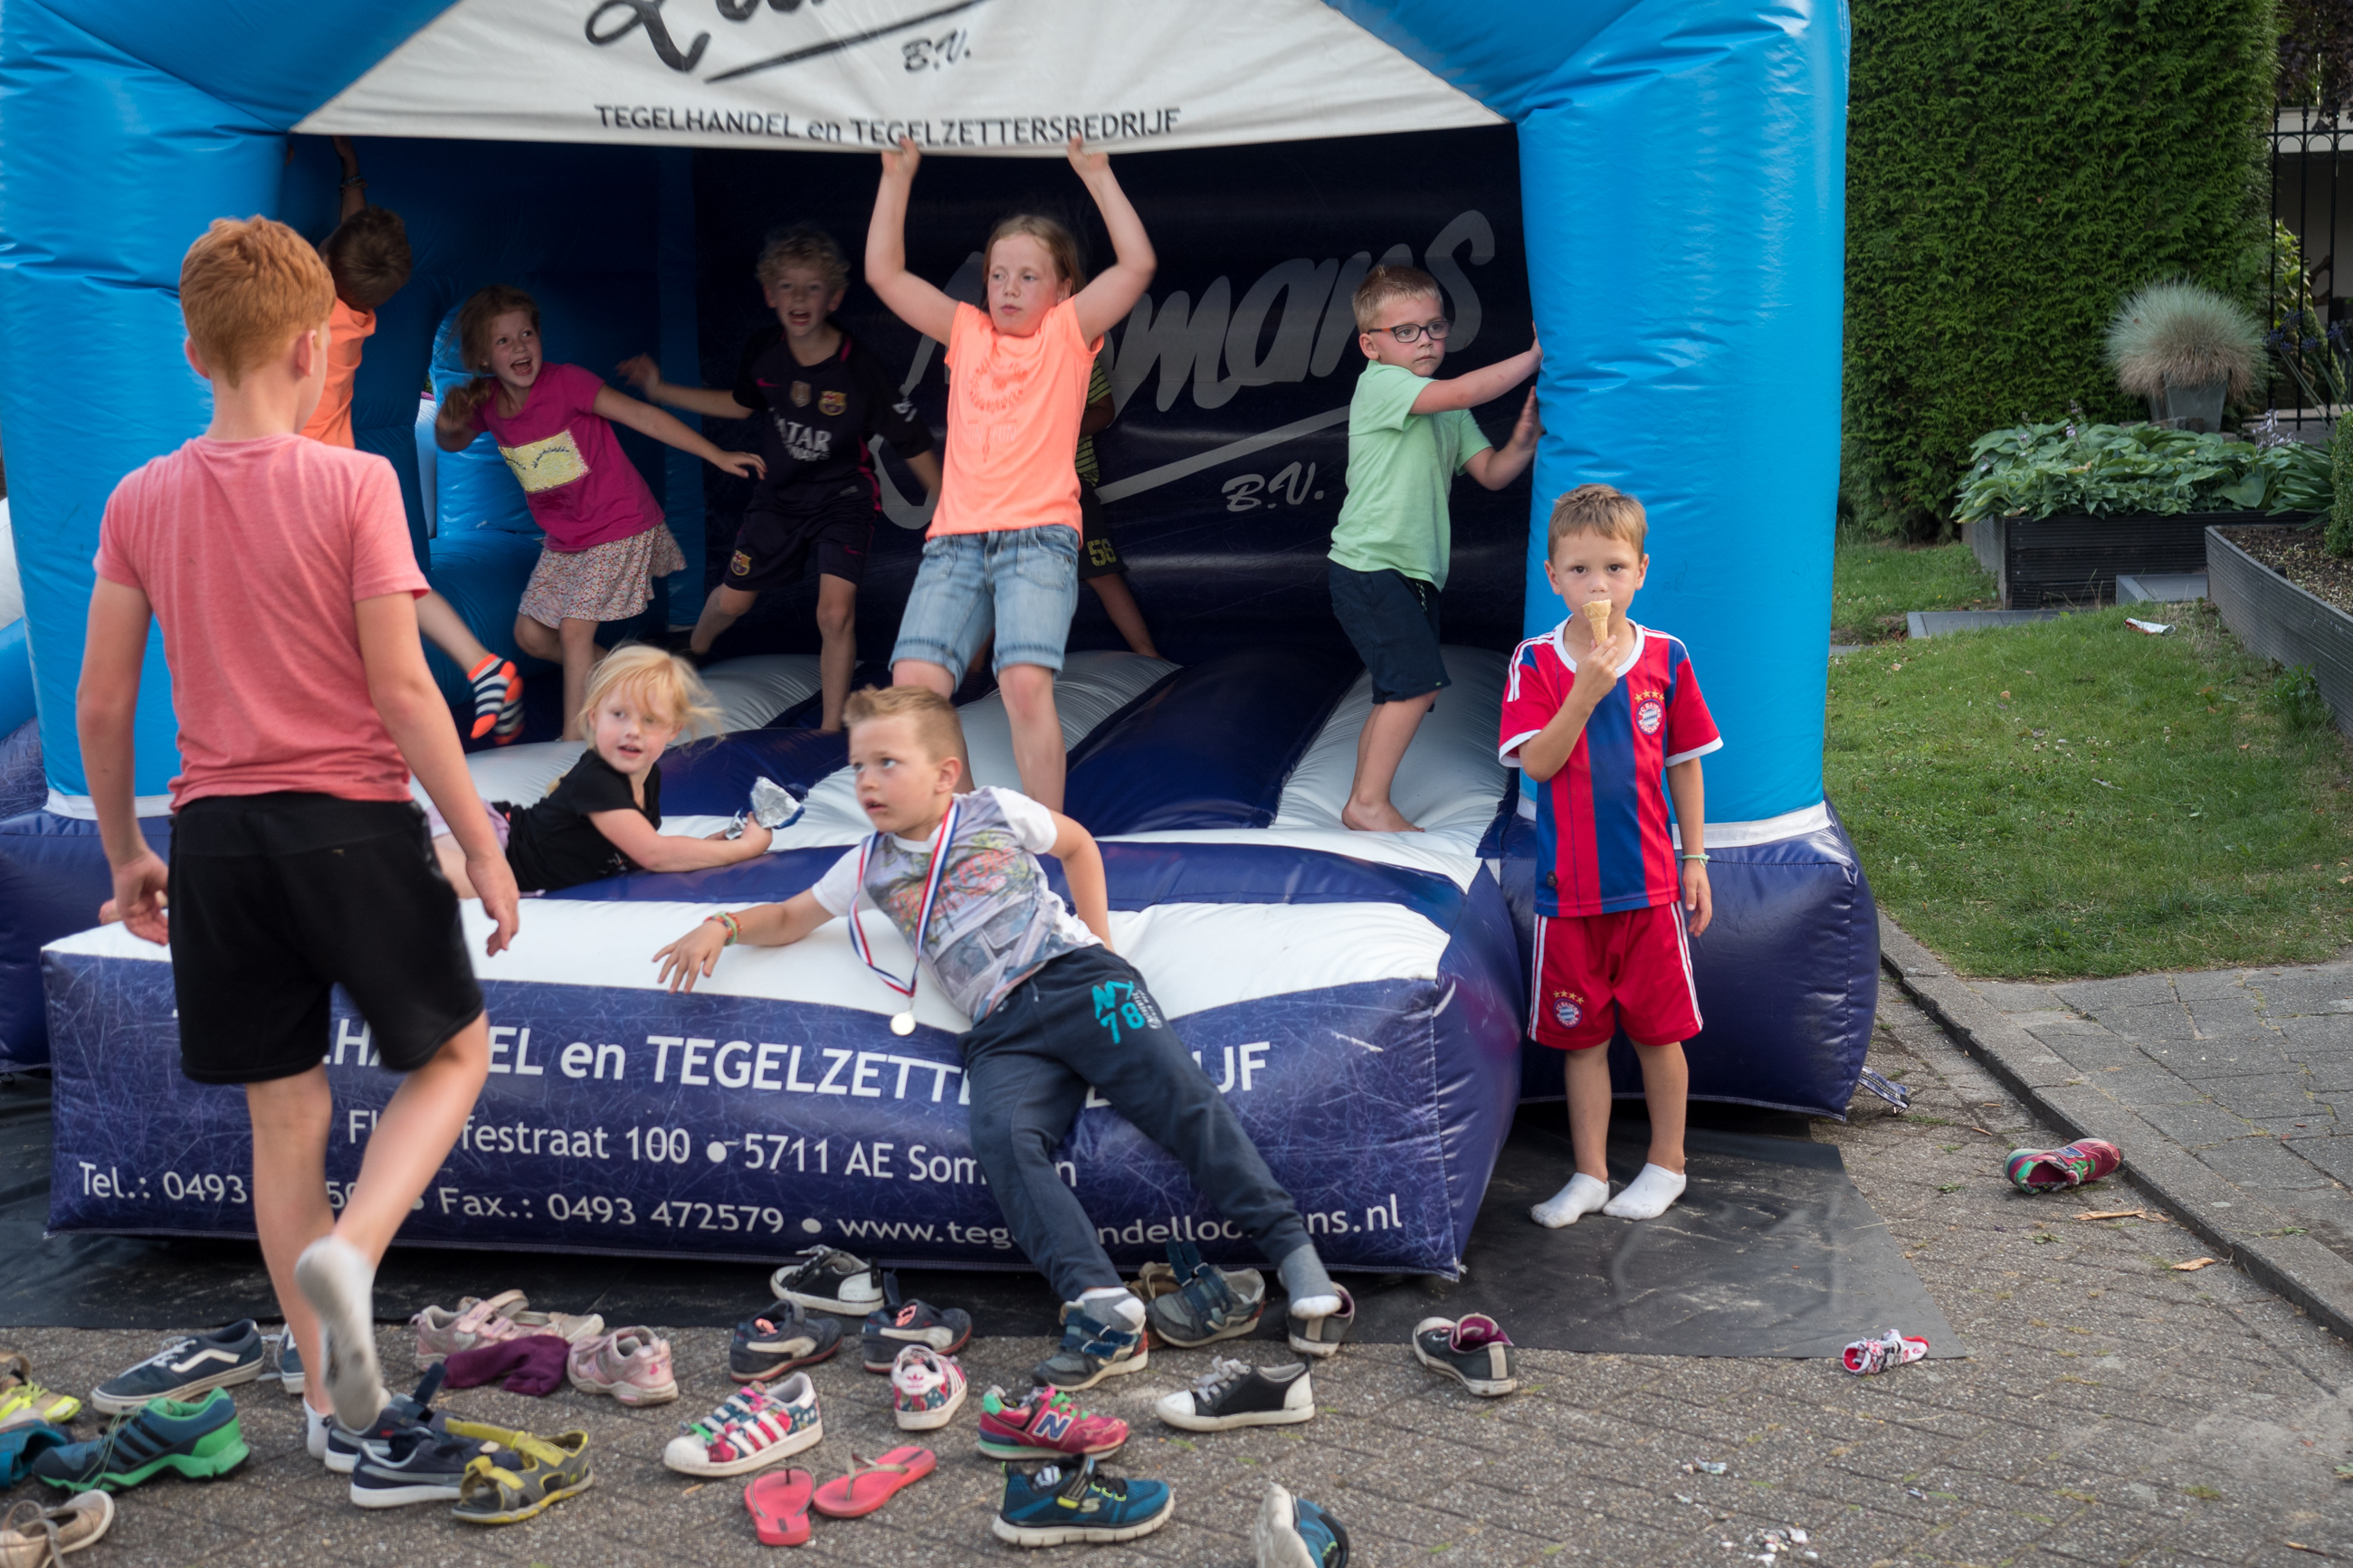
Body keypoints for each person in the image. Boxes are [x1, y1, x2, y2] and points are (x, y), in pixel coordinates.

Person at [77, 215, 521, 1460]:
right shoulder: (354, 481)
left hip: (214, 838)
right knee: (454, 1053)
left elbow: (102, 702)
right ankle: (354, 1251)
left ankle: (330, 1405)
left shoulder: (139, 497)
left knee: (285, 1120)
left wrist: (124, 854)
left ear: (192, 353)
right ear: (314, 347)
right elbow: (403, 687)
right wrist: (481, 840)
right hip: (349, 823)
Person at [653, 686, 1343, 1389]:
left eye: (888, 763)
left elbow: (1077, 844)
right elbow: (791, 916)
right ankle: (1099, 1299)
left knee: (1182, 1096)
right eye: (859, 765)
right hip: (1001, 1028)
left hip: (1079, 980)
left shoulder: (994, 810)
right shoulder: (869, 862)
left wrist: (1103, 944)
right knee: (1002, 1136)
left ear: (945, 773)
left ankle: (1295, 1255)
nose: (867, 781)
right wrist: (723, 924)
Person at [863, 135, 1156, 810]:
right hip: (957, 541)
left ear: (1062, 289)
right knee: (915, 684)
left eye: (1028, 277)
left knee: (1023, 682)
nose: (1009, 289)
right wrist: (896, 177)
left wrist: (1098, 175)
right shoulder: (967, 332)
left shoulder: (1066, 333)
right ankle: (969, 824)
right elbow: (884, 274)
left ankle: (1048, 834)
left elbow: (1137, 265)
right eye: (998, 275)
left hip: (1038, 538)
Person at [618, 224, 942, 730]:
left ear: (834, 298)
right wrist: (662, 391)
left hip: (844, 497)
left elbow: (912, 440)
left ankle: (830, 728)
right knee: (732, 600)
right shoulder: (766, 350)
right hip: (780, 499)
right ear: (770, 294)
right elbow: (741, 403)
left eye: (812, 288)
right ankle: (694, 647)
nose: (799, 299)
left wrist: (949, 507)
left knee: (834, 614)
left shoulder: (859, 369)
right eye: (787, 287)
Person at [1501, 484, 1720, 1226]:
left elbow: (1685, 762)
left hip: (1650, 887)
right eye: (1581, 570)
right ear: (1553, 576)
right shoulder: (1535, 662)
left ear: (1641, 571)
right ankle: (1590, 1172)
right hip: (1568, 893)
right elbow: (1537, 763)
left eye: (1614, 568)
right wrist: (1584, 692)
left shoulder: (1666, 656)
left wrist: (1696, 858)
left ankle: (1667, 1164)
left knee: (1661, 1034)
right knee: (1582, 1039)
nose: (1599, 585)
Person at [433, 285, 764, 742]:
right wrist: (448, 422)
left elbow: (644, 417)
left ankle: (572, 741)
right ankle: (635, 680)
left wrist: (717, 454)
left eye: (527, 333)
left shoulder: (566, 382)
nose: (520, 347)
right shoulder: (487, 402)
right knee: (531, 636)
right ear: (484, 357)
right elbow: (451, 443)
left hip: (618, 523)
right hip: (567, 540)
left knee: (573, 631)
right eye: (503, 341)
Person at [305, 136, 524, 746]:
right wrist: (352, 172)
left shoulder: (311, 310)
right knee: (397, 581)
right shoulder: (356, 312)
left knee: (346, 602)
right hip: (349, 474)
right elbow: (350, 245)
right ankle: (484, 665)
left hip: (308, 485)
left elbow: (333, 248)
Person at [1330, 264, 1541, 832]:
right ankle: (1368, 804)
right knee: (1415, 685)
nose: (1424, 340)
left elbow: (1491, 472)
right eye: (1405, 331)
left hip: (1413, 573)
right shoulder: (1381, 384)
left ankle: (1362, 799)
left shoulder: (1447, 409)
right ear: (1371, 346)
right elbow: (1464, 388)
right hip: (1370, 565)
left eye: (1435, 327)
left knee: (1404, 692)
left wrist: (1524, 439)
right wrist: (1534, 357)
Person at [428, 643, 773, 896]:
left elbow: (635, 854)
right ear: (594, 718)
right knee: (450, 882)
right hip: (490, 845)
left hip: (500, 843)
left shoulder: (648, 778)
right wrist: (742, 850)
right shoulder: (598, 779)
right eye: (619, 714)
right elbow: (652, 853)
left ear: (674, 731)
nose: (633, 730)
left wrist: (704, 849)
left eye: (650, 720)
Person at [1072, 354, 1158, 658]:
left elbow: (1104, 409)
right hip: (1015, 486)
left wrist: (1061, 430)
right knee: (1003, 577)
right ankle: (974, 669)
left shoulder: (1076, 353)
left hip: (1070, 483)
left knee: (1102, 571)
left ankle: (1148, 655)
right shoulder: (996, 358)